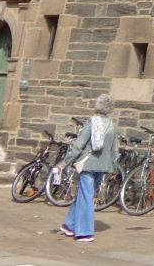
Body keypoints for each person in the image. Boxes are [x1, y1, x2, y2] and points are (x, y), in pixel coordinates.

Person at [59, 93, 117, 243]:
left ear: (97, 106)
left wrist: (64, 163)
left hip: (88, 164)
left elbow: (78, 145)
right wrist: (114, 168)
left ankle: (85, 232)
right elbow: (115, 150)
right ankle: (70, 225)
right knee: (84, 195)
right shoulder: (112, 125)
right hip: (103, 166)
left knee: (86, 196)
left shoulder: (92, 122)